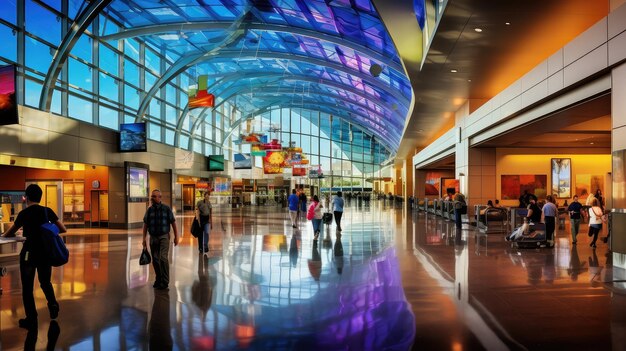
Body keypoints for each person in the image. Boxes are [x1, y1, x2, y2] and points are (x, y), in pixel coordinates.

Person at [1, 184, 66, 330]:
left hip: (29, 254)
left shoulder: (24, 214)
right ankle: (53, 304)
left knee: (28, 287)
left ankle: (31, 319)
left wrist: (11, 233)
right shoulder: (46, 211)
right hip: (45, 253)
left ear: (27, 197)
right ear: (40, 197)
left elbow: (9, 233)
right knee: (45, 282)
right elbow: (62, 229)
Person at [143, 189, 179, 290]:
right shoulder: (149, 210)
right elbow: (145, 225)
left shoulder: (166, 209)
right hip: (153, 237)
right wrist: (144, 239)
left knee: (163, 257)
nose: (152, 198)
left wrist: (177, 236)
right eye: (152, 196)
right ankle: (158, 279)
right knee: (155, 259)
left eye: (155, 196)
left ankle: (165, 281)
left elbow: (173, 223)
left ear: (160, 197)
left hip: (164, 236)